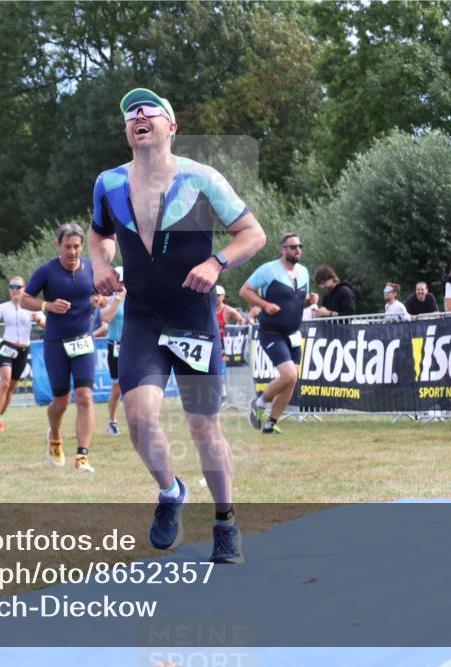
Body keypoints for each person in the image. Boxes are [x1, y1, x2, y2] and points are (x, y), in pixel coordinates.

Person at [89, 87, 266, 564]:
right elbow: (99, 234)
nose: (138, 115)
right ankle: (171, 492)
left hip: (192, 318)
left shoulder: (202, 177)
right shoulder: (108, 183)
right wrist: (99, 263)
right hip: (144, 318)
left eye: (149, 110)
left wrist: (216, 263)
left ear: (171, 127)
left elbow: (253, 234)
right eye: (130, 112)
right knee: (140, 420)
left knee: (204, 428)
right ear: (127, 131)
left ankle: (226, 520)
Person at [22, 223, 98, 473]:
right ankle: (54, 436)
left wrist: (100, 299)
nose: (72, 252)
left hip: (84, 342)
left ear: (82, 246)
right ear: (58, 246)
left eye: (77, 246)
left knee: (85, 396)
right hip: (56, 344)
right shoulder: (47, 271)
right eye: (67, 246)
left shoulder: (91, 268)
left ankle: (82, 456)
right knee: (61, 402)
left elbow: (101, 294)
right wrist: (47, 306)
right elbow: (24, 299)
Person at [239, 233, 315, 434]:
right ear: (283, 249)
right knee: (288, 374)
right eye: (293, 247)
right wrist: (264, 304)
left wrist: (310, 301)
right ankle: (260, 402)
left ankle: (271, 423)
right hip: (272, 332)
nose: (298, 249)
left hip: (294, 334)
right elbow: (245, 291)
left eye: (300, 246)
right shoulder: (268, 269)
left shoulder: (304, 272)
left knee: (291, 380)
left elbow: (299, 300)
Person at [0, 276, 45, 434]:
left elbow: (45, 323)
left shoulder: (32, 307)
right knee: (4, 383)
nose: (14, 290)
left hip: (23, 350)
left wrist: (39, 320)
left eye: (18, 287)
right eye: (11, 287)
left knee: (10, 388)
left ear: (24, 289)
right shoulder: (3, 307)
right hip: (6, 347)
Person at [101, 267, 126, 436]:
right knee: (117, 389)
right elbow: (106, 318)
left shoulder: (136, 298)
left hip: (133, 346)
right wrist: (118, 298)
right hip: (115, 345)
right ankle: (112, 421)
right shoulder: (110, 299)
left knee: (137, 386)